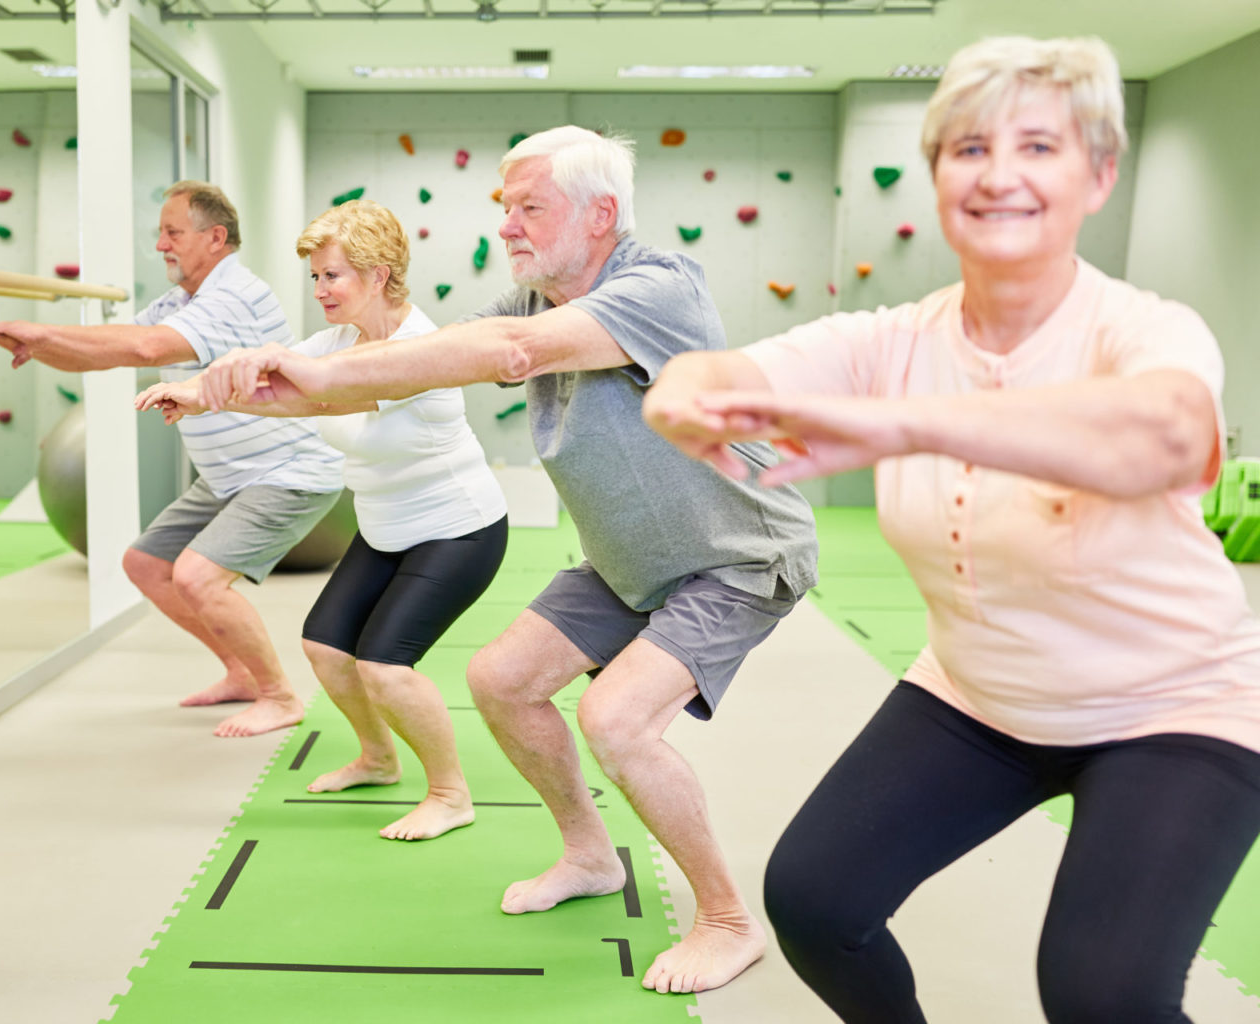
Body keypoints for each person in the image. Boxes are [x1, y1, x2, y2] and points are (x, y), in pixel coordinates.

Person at [644, 35, 1260, 1023]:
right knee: (815, 902)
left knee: (1104, 997)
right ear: (935, 177)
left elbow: (1168, 432)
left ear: (1098, 175)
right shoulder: (889, 339)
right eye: (968, 149)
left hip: (1172, 705)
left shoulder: (1143, 330)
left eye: (1039, 148)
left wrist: (895, 424)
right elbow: (708, 378)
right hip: (979, 696)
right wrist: (690, 406)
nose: (999, 175)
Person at [194, 128, 820, 994]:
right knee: (500, 680)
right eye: (505, 209)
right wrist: (250, 384)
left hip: (737, 558)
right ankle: (589, 856)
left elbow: (504, 355)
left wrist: (303, 366)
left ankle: (725, 921)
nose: (510, 227)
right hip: (629, 562)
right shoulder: (530, 300)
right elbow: (397, 373)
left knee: (617, 720)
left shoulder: (656, 286)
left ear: (601, 214)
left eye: (531, 208)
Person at [136, 200, 508, 840]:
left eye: (332, 275)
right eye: (315, 277)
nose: (319, 291)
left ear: (380, 274)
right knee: (327, 649)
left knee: (385, 667)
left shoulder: (420, 349)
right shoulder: (336, 344)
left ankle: (450, 794)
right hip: (386, 525)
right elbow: (284, 381)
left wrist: (227, 389)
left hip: (457, 529)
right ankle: (377, 757)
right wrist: (199, 393)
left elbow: (322, 391)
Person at [0, 181, 343, 738]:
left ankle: (280, 696)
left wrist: (45, 329)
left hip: (284, 471)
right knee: (145, 564)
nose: (161, 245)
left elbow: (145, 349)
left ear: (215, 238)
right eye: (161, 234)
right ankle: (241, 673)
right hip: (227, 477)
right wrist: (42, 346)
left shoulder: (233, 295)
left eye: (172, 233)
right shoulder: (183, 302)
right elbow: (110, 350)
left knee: (198, 578)